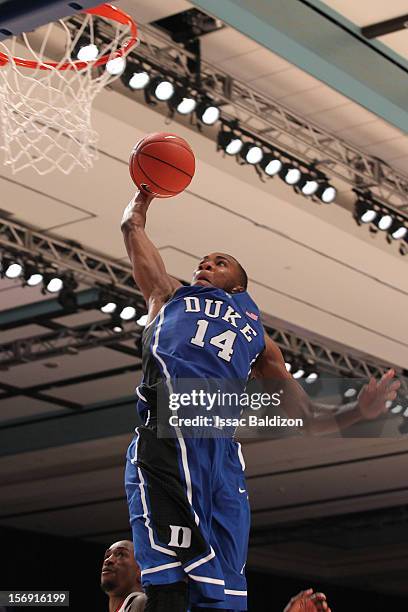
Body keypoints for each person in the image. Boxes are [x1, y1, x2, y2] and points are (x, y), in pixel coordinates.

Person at [121, 189, 400, 612]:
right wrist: (143, 194)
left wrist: (359, 412)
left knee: (226, 594)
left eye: (219, 262)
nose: (205, 265)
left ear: (238, 284)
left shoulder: (261, 343)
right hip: (169, 432)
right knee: (171, 583)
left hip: (222, 455)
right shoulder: (167, 295)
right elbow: (131, 227)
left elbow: (304, 417)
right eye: (202, 261)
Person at [101, 540, 147, 612]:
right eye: (107, 556)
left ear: (141, 571)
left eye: (121, 554)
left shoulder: (141, 601)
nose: (108, 560)